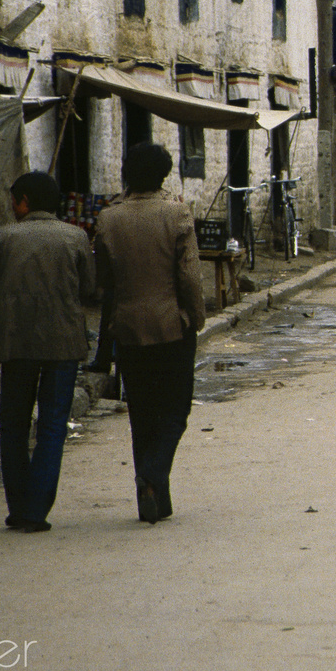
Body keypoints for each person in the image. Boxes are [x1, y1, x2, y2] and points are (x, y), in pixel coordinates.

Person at [0, 172, 96, 533]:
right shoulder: (76, 237)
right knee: (52, 425)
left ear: (24, 201)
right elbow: (89, 289)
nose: (12, 207)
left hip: (16, 343)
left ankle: (19, 504)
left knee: (13, 425)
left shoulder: (1, 239)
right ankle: (37, 508)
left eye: (14, 201)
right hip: (63, 343)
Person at [93, 143, 205, 524]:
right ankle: (154, 476)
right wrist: (196, 316)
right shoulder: (176, 213)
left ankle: (154, 494)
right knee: (175, 410)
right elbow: (189, 274)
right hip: (171, 325)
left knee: (141, 412)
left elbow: (102, 279)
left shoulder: (108, 218)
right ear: (164, 173)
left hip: (127, 327)